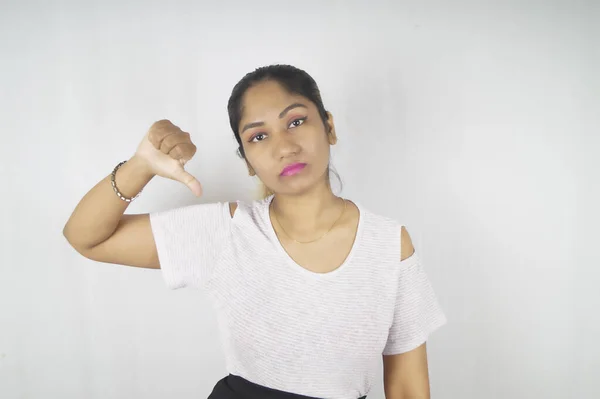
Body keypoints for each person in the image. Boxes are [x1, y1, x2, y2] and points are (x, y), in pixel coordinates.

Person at [63, 64, 447, 399]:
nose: (285, 147)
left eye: (296, 121)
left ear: (329, 126)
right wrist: (139, 166)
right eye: (258, 137)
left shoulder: (387, 244)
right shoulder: (227, 232)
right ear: (247, 160)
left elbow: (408, 390)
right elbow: (86, 237)